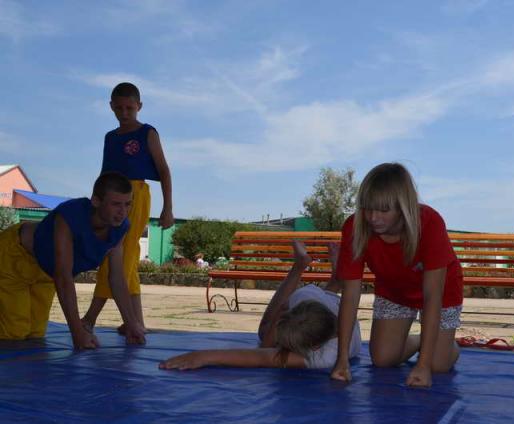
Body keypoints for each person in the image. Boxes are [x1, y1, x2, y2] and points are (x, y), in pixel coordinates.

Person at [330, 163, 463, 388]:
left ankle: (444, 345)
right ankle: (422, 341)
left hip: (441, 291)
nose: (373, 217)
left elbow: (432, 297)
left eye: (383, 210)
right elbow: (350, 296)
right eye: (367, 208)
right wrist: (342, 358)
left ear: (404, 207)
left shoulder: (429, 223)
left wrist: (423, 365)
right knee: (382, 359)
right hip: (394, 290)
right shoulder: (355, 227)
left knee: (438, 365)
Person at [159, 241, 361, 370]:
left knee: (264, 335)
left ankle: (304, 267)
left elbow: (259, 357)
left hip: (331, 304)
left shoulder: (324, 357)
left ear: (313, 347)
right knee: (272, 334)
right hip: (332, 309)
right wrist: (201, 356)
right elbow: (283, 309)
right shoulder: (305, 299)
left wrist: (204, 356)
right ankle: (333, 277)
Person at [0, 172, 146, 348]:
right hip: (15, 256)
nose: (123, 212)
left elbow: (116, 279)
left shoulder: (120, 228)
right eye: (116, 204)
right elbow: (63, 276)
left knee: (35, 332)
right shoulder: (71, 216)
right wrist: (78, 333)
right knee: (15, 331)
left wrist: (131, 323)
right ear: (96, 201)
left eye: (127, 204)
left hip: (45, 272)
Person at [82, 82, 174, 334]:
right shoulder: (110, 137)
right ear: (111, 107)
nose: (124, 113)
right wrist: (95, 201)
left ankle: (90, 317)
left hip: (135, 195)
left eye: (129, 108)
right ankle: (137, 321)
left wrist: (168, 207)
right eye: (119, 108)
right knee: (122, 255)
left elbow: (164, 169)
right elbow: (104, 172)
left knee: (119, 253)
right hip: (109, 195)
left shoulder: (147, 133)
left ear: (139, 107)